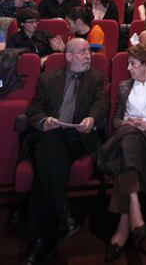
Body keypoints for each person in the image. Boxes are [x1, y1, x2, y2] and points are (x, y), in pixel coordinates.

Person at [20, 38, 109, 265]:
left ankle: (39, 242)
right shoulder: (48, 78)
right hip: (49, 134)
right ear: (68, 56)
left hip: (76, 137)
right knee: (50, 145)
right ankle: (60, 214)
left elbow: (102, 103)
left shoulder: (96, 78)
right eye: (81, 52)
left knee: (45, 166)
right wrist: (43, 121)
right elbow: (33, 112)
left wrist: (92, 118)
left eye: (88, 51)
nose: (88, 56)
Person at [98, 44, 146, 262]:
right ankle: (135, 209)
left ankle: (124, 225)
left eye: (133, 64)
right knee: (129, 137)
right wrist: (126, 122)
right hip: (128, 135)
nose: (128, 68)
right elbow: (116, 119)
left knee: (128, 143)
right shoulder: (123, 87)